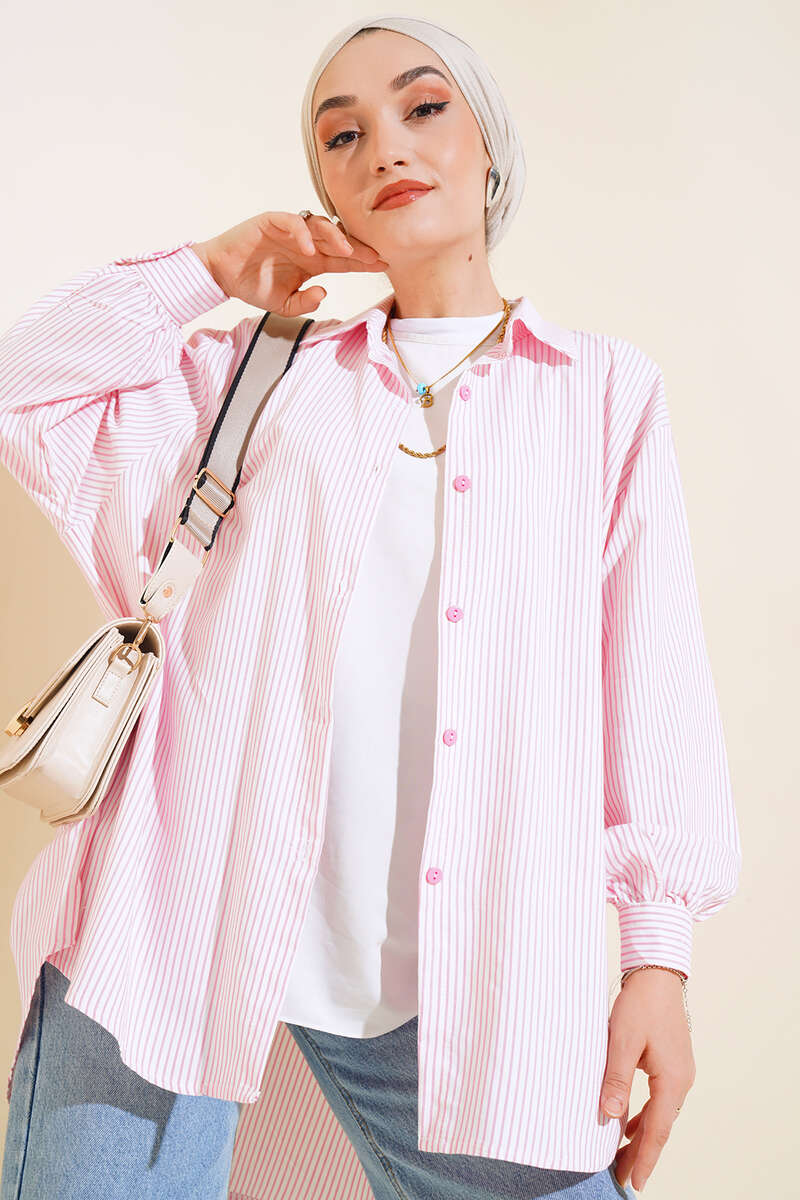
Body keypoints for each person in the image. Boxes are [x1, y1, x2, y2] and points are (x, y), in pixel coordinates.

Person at [0, 14, 740, 1200]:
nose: (384, 145)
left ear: (488, 144)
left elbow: (650, 686)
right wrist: (214, 271)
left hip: (455, 980)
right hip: (172, 933)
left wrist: (656, 958)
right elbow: (23, 388)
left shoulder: (601, 394)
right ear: (327, 193)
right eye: (340, 135)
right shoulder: (260, 373)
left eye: (422, 107)